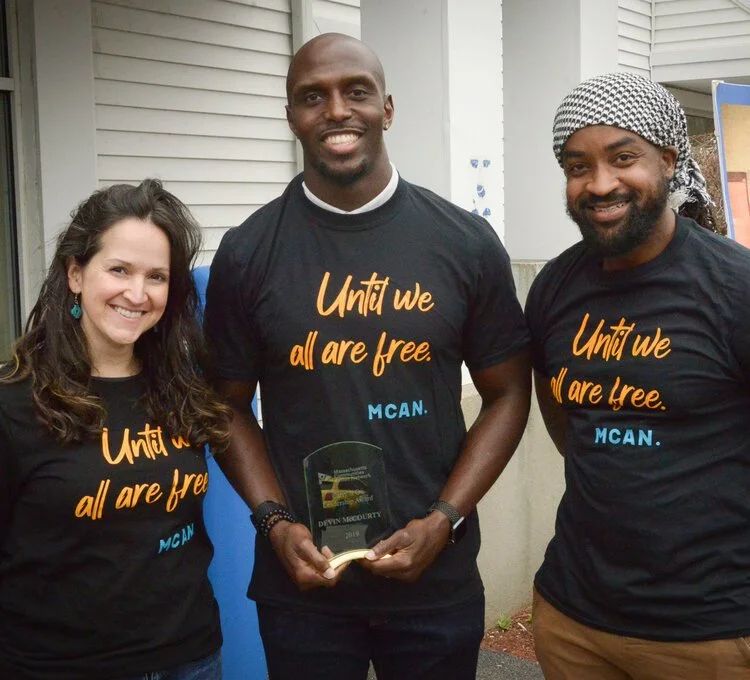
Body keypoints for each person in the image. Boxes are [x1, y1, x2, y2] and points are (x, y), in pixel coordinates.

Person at [203, 32, 531, 680]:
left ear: (387, 107)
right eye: (312, 97)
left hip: (435, 579)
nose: (335, 110)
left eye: (355, 91)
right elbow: (226, 406)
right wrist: (274, 523)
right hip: (304, 586)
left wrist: (445, 518)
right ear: (291, 115)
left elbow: (509, 392)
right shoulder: (247, 252)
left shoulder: (464, 243)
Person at [526, 71, 750, 680]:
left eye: (623, 158)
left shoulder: (733, 288)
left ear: (669, 161)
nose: (600, 184)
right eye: (578, 166)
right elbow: (564, 418)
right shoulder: (554, 288)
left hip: (710, 635)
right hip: (575, 622)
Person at [0, 179, 232, 679]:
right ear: (76, 274)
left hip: (190, 657)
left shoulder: (180, 387)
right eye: (119, 270)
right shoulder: (14, 403)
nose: (137, 293)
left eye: (156, 277)